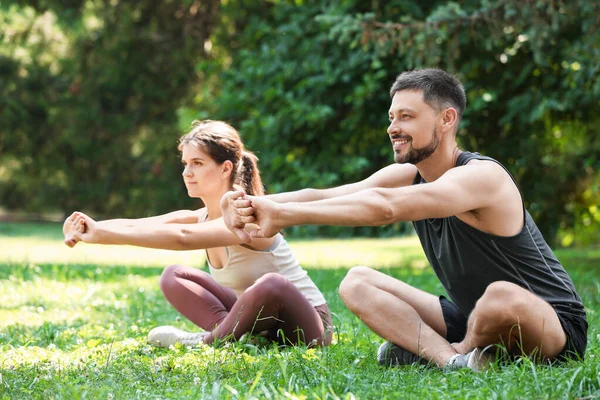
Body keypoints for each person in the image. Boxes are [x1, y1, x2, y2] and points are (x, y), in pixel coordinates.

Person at [220, 69, 587, 370]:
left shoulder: (482, 177)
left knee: (501, 296)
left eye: (407, 117)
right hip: (471, 311)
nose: (393, 127)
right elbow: (330, 195)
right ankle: (453, 360)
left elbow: (386, 208)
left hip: (552, 324)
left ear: (446, 119)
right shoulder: (412, 173)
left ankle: (455, 349)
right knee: (356, 282)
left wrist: (284, 216)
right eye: (392, 117)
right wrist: (244, 202)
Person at [62, 120, 332, 348]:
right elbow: (140, 225)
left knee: (271, 285)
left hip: (307, 326)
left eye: (197, 163)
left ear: (225, 168)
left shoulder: (249, 214)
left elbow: (183, 237)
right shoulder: (200, 216)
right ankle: (234, 336)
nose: (187, 172)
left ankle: (206, 341)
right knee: (173, 276)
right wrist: (91, 228)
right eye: (185, 163)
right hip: (260, 322)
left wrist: (98, 233)